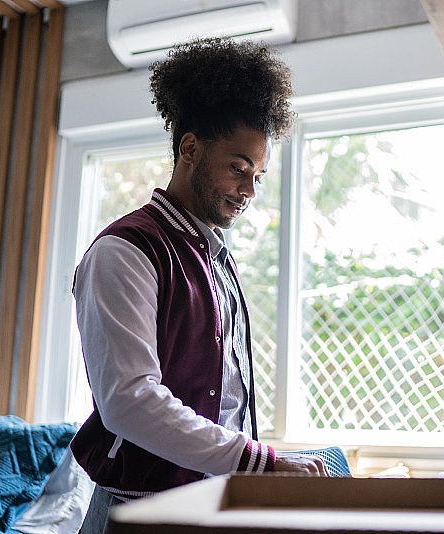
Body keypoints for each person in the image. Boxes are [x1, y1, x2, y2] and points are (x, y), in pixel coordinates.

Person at [72, 37, 327, 532]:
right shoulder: (125, 251)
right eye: (238, 168)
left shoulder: (215, 259)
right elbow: (129, 401)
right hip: (139, 508)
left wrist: (256, 467)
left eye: (259, 174)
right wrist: (262, 462)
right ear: (190, 148)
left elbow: (225, 402)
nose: (250, 190)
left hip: (211, 502)